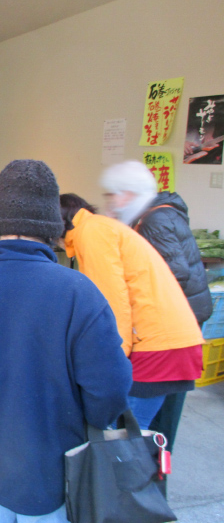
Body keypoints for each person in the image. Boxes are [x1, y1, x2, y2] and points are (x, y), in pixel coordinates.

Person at [0, 160, 132, 523]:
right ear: (52, 227)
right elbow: (110, 386)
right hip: (51, 470)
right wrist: (80, 421)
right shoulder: (79, 292)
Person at [60, 193, 204, 431]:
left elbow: (112, 302)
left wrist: (114, 358)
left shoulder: (92, 233)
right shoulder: (98, 226)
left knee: (125, 436)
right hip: (167, 338)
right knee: (140, 434)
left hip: (156, 344)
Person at [101, 160, 212, 450]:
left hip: (175, 327)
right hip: (185, 318)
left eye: (113, 196)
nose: (111, 204)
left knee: (156, 410)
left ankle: (153, 463)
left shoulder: (154, 220)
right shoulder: (160, 214)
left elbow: (175, 272)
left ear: (128, 194)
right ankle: (158, 460)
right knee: (162, 405)